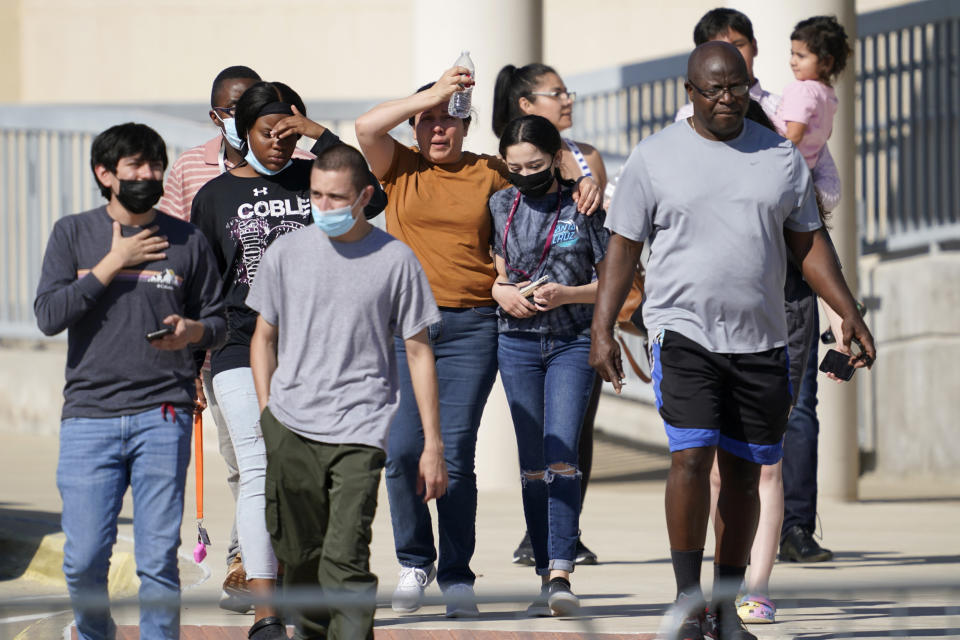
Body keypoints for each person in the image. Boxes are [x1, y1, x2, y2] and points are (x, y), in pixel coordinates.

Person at [590, 42, 876, 640]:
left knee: (746, 476)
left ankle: (725, 605)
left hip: (762, 339)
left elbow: (808, 243)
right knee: (691, 458)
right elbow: (623, 248)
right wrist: (602, 326)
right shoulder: (656, 157)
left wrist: (846, 309)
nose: (727, 99)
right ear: (689, 91)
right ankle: (688, 604)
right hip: (683, 332)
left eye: (738, 87)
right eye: (714, 89)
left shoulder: (779, 155)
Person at [356, 64, 603, 618]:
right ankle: (415, 560)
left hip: (473, 327)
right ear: (414, 128)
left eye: (449, 120)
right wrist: (435, 93)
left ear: (466, 128)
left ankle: (457, 575)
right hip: (405, 326)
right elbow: (367, 128)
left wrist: (585, 179)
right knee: (400, 453)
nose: (438, 130)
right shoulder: (398, 167)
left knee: (457, 455)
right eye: (427, 121)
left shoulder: (490, 172)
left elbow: (546, 164)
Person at [191, 80, 385, 639]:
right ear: (241, 133)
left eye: (286, 132)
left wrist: (317, 135)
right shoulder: (214, 197)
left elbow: (377, 194)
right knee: (256, 469)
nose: (277, 143)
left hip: (318, 347)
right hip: (238, 344)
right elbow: (201, 287)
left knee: (310, 478)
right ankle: (266, 611)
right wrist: (189, 371)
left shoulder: (314, 177)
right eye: (265, 133)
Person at [248, 143, 447, 640]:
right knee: (299, 560)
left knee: (345, 560)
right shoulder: (285, 254)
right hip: (290, 426)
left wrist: (433, 444)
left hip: (360, 430)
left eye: (336, 197)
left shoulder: (395, 260)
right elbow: (263, 338)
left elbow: (420, 351)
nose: (324, 206)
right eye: (316, 195)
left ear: (363, 196)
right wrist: (267, 413)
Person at [34, 122, 226, 639]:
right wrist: (112, 263)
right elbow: (49, 315)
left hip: (162, 413)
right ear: (105, 174)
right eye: (135, 166)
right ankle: (95, 633)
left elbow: (219, 320)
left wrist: (192, 332)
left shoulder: (187, 240)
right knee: (83, 561)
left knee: (159, 560)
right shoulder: (73, 233)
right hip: (88, 417)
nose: (148, 175)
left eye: (155, 165)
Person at [490, 115, 609, 615]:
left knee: (562, 455)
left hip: (570, 341)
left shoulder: (584, 204)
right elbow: (494, 268)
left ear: (557, 155)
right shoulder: (499, 204)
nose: (524, 174)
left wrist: (567, 295)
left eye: (535, 165)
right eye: (514, 167)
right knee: (533, 466)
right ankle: (543, 570)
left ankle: (562, 570)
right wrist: (501, 290)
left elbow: (613, 283)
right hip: (515, 342)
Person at [774, 16, 852, 170]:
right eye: (792, 53)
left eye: (801, 56)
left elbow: (794, 136)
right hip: (807, 169)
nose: (792, 61)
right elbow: (826, 134)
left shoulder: (802, 90)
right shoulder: (828, 95)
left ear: (826, 62)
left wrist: (772, 158)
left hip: (785, 165)